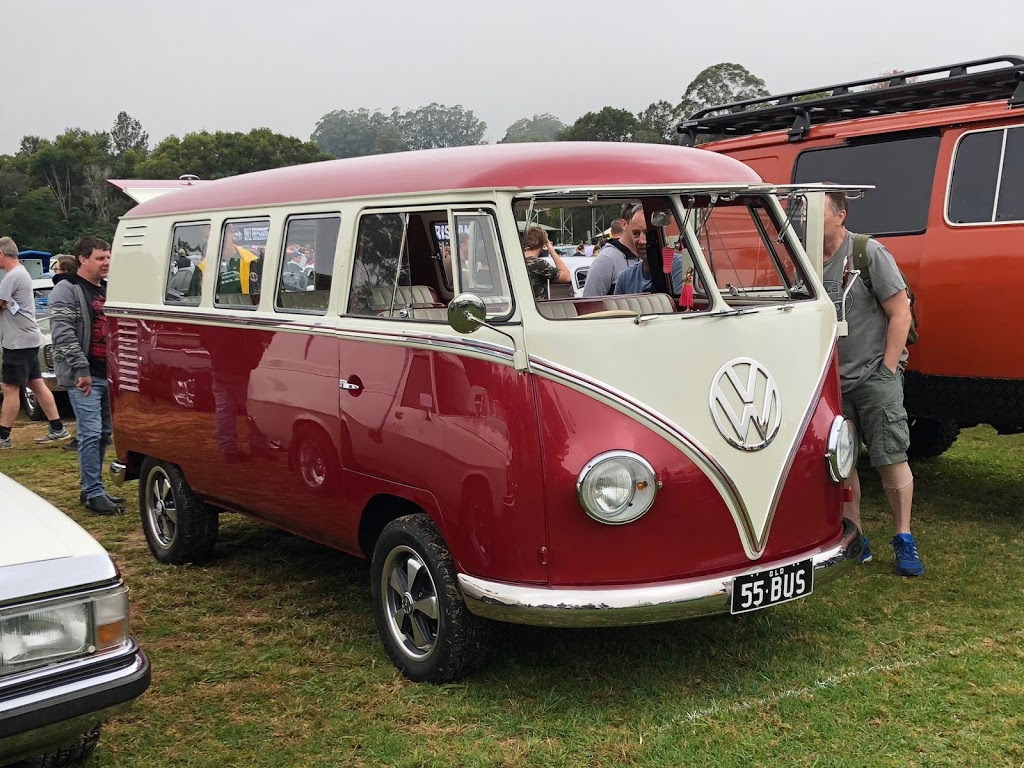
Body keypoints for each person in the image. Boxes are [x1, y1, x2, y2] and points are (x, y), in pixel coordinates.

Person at [821, 190, 922, 577]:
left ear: (841, 215)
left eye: (819, 213)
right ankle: (855, 537)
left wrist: (888, 369)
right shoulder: (806, 259)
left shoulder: (868, 252)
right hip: (831, 384)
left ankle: (904, 537)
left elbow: (901, 312)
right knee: (841, 462)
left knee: (891, 458)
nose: (806, 222)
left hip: (875, 378)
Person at [49, 236, 125, 514]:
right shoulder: (67, 289)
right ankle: (93, 492)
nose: (106, 263)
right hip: (85, 375)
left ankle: (93, 488)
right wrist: (80, 369)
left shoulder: (107, 289)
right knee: (91, 432)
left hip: (108, 373)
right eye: (100, 258)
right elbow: (62, 333)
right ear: (83, 259)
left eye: (108, 257)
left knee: (104, 432)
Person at [0, 237, 71, 449]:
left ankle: (3, 436)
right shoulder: (21, 274)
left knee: (9, 387)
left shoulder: (12, 277)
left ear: (2, 254)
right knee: (36, 383)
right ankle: (58, 428)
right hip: (27, 338)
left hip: (18, 341)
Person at [582, 204, 646, 297]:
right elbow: (589, 302)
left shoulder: (647, 256)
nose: (642, 239)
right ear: (624, 224)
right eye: (637, 231)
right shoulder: (606, 260)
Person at [522, 226, 571, 300]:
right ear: (544, 243)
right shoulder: (539, 265)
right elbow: (567, 277)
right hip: (538, 307)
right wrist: (552, 251)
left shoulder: (516, 261)